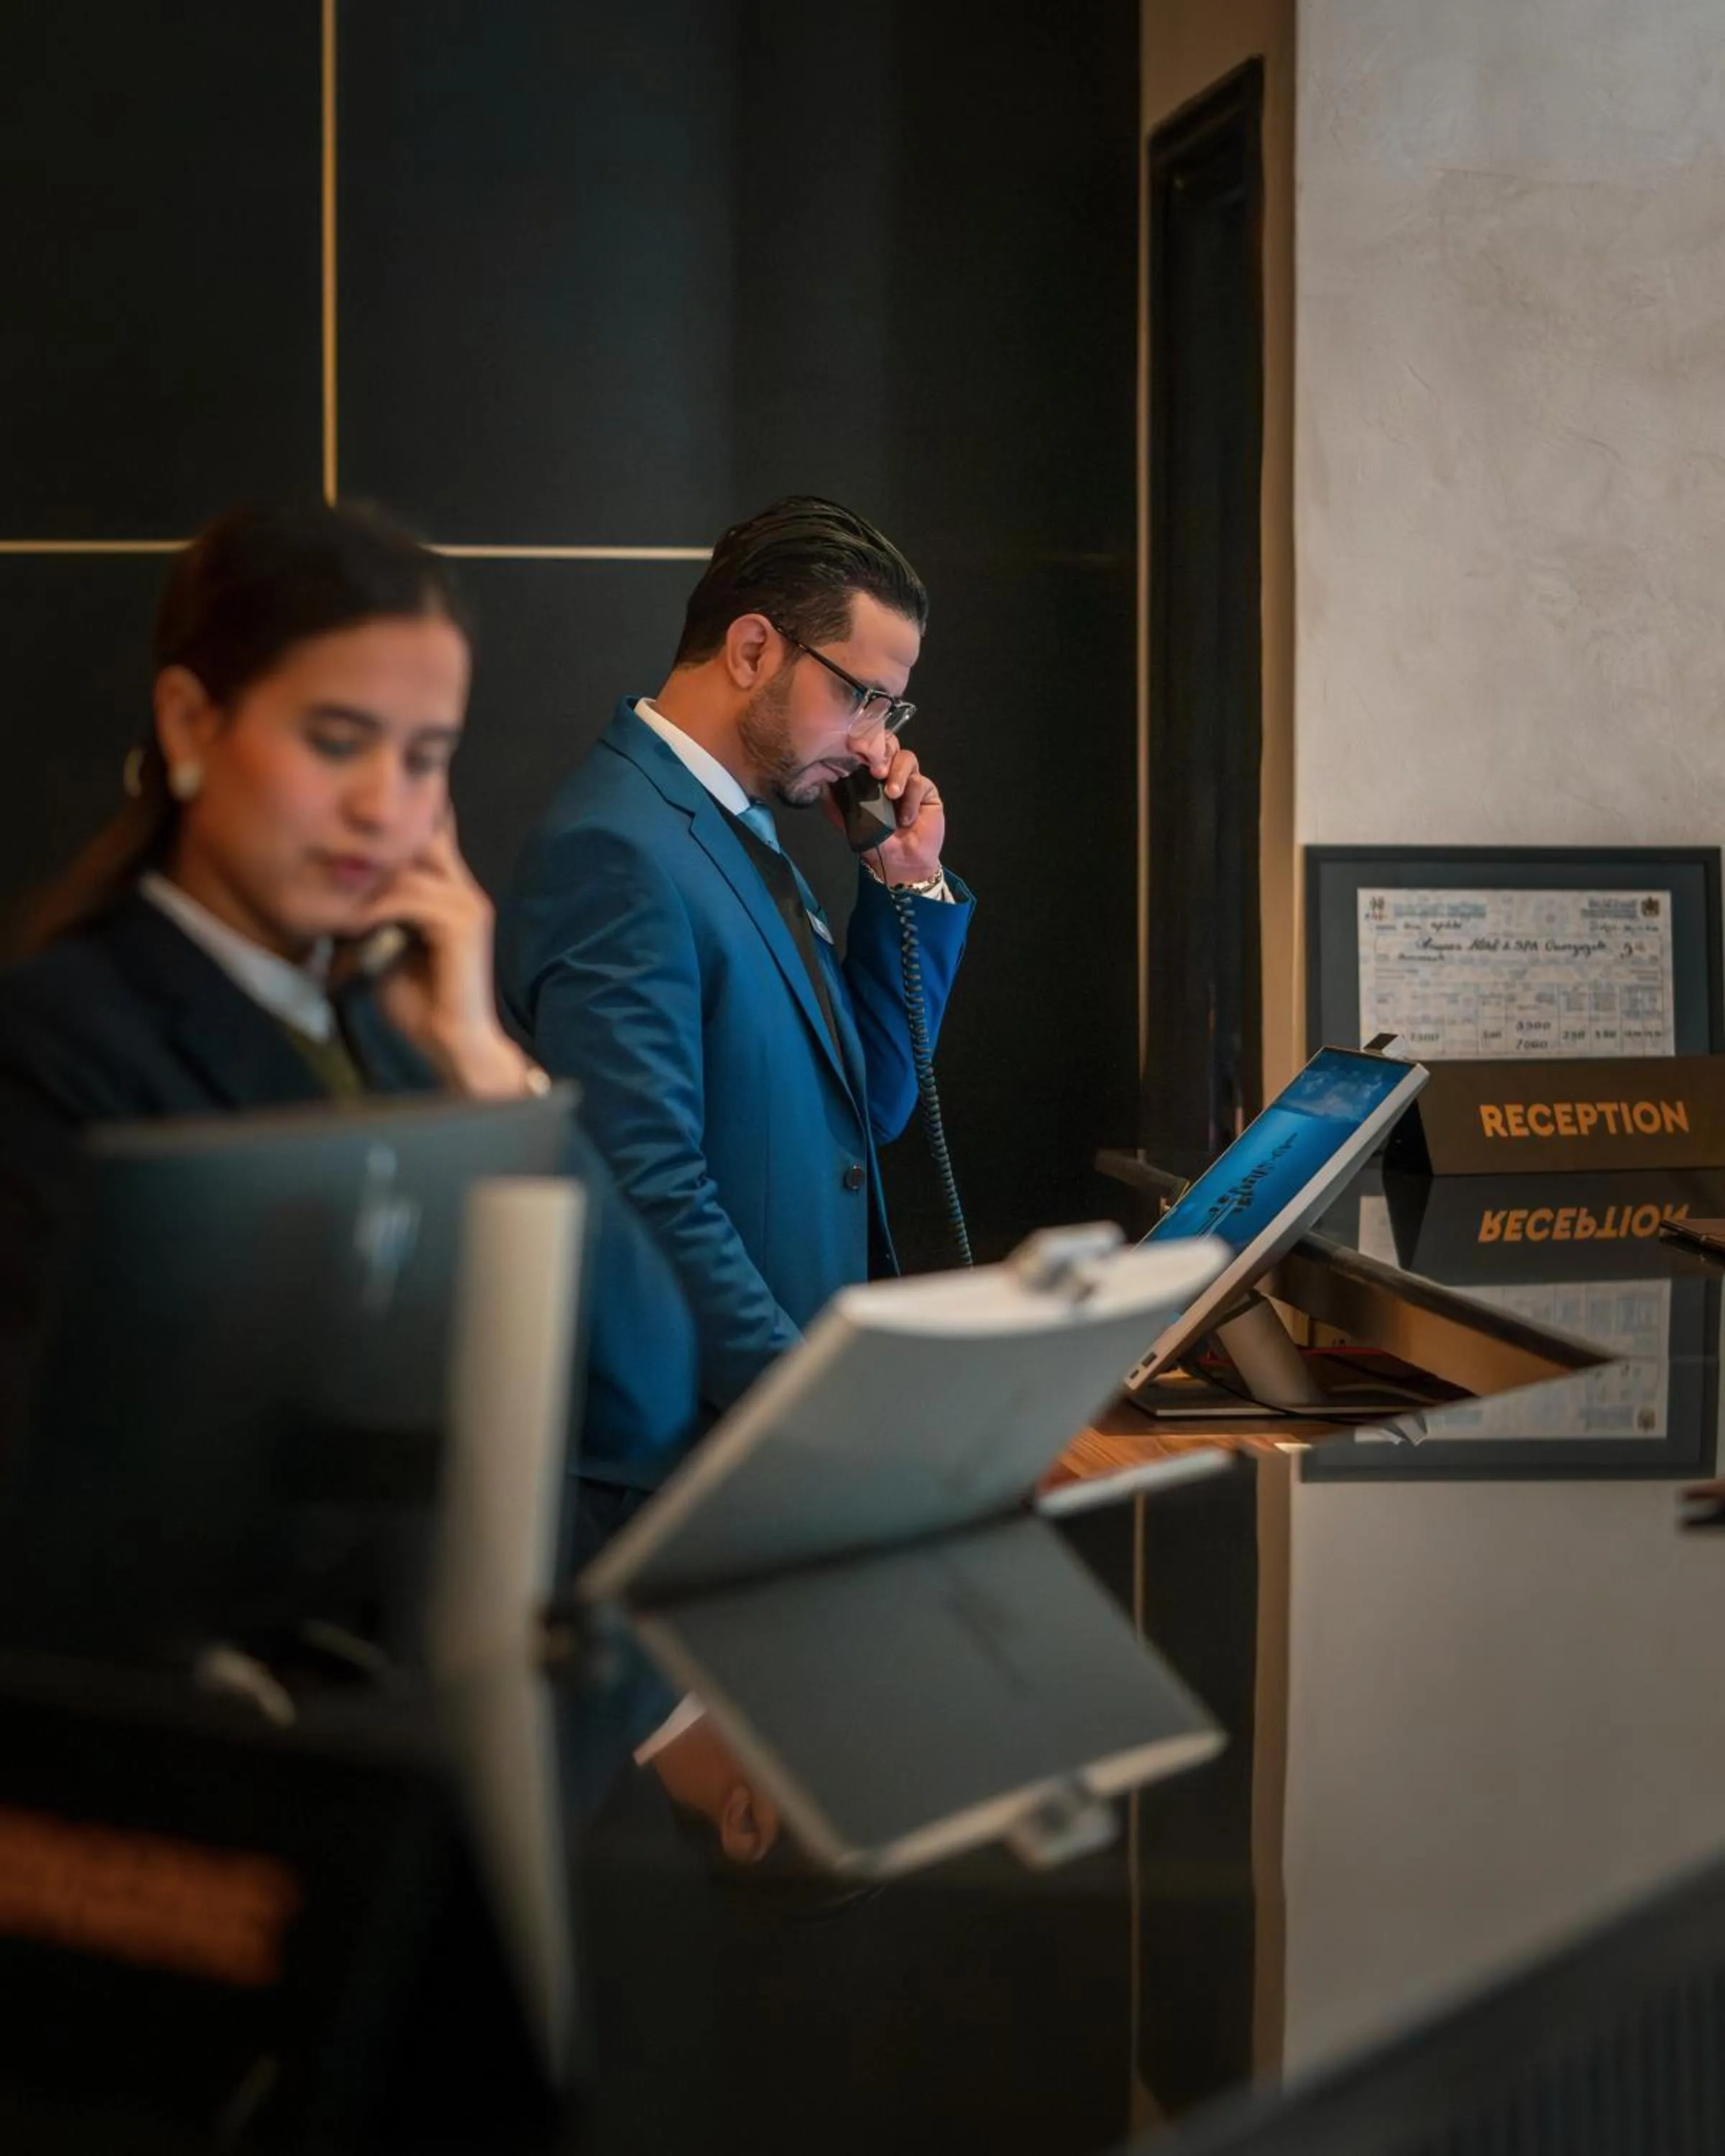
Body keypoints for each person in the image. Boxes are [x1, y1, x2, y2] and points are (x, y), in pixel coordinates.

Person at [0, 497, 696, 1483]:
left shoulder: (413, 1029)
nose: (383, 807)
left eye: (424, 759)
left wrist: (490, 1070)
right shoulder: (55, 1040)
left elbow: (643, 1399)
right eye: (336, 742)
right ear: (192, 725)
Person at [498, 496, 974, 1539]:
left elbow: (875, 1107)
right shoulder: (619, 847)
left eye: (890, 714)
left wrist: (904, 883)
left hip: (755, 1463)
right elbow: (646, 1186)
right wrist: (809, 1408)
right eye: (861, 697)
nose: (871, 745)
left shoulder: (743, 833)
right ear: (755, 647)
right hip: (681, 1474)